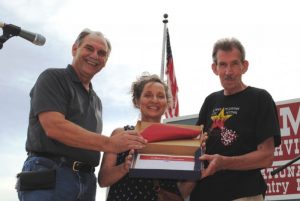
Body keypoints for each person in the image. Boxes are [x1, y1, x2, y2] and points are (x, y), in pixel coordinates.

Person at [16, 28, 146, 201]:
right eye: (89, 48)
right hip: (50, 173)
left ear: (105, 61)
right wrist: (110, 143)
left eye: (101, 53)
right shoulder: (53, 78)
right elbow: (54, 127)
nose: (94, 55)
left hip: (87, 182)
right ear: (74, 49)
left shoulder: (97, 101)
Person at [189, 38, 281, 201]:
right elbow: (196, 145)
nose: (228, 72)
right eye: (222, 65)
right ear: (214, 68)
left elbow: (266, 156)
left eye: (234, 64)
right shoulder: (210, 100)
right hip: (204, 193)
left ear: (244, 66)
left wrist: (223, 162)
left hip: (243, 193)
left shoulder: (260, 98)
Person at [98, 73, 185, 201]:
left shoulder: (177, 141)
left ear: (167, 103)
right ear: (136, 101)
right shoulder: (120, 134)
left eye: (161, 96)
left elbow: (180, 192)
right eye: (148, 95)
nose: (154, 100)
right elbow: (103, 180)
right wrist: (124, 167)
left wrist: (199, 171)